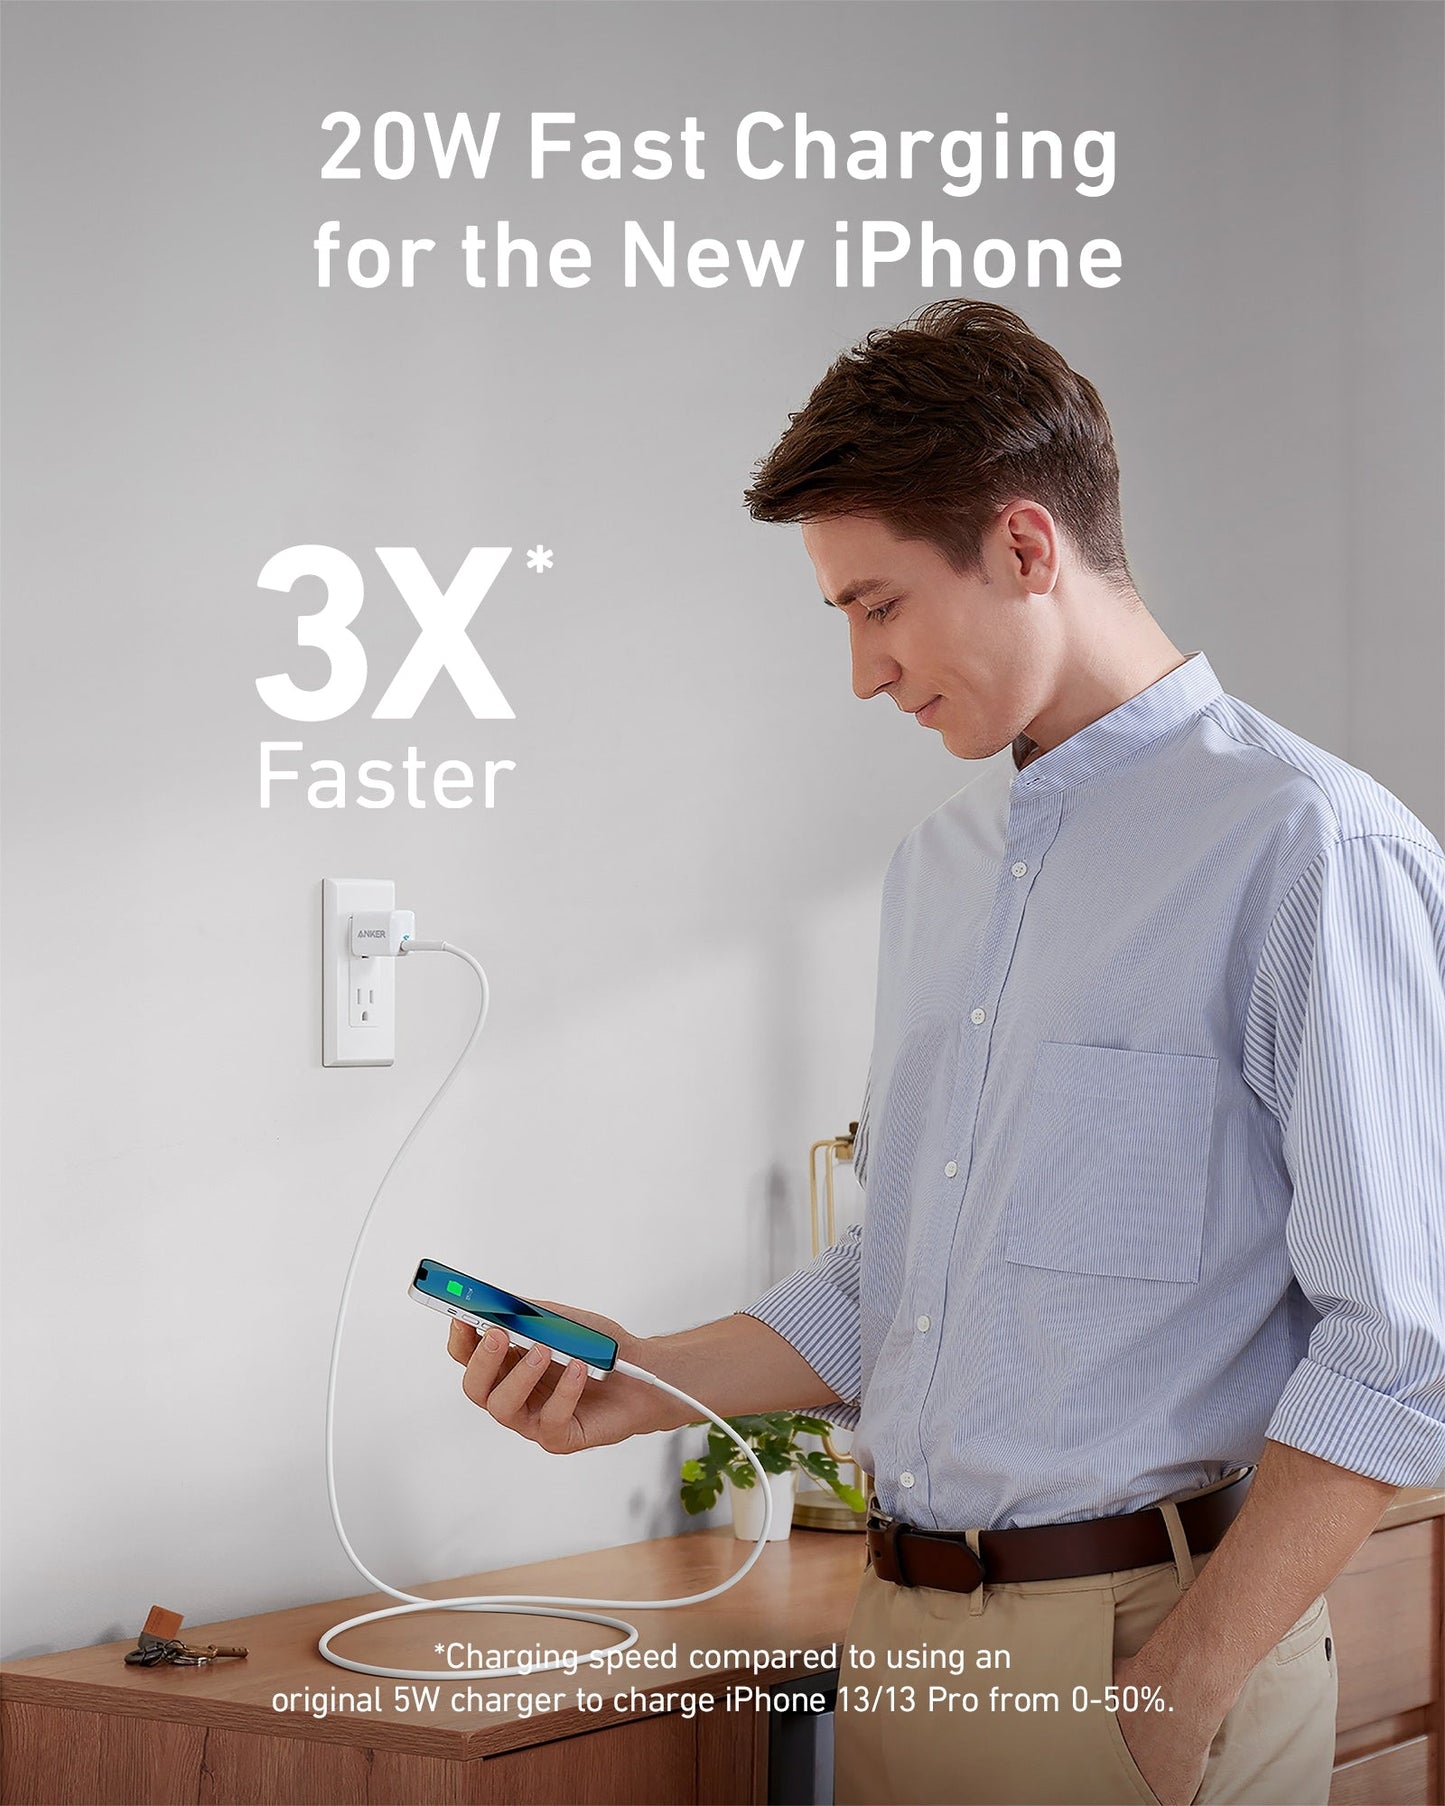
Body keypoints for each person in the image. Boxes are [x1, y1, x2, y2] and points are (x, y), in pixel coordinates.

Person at [447, 299, 1445, 1806]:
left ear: (1026, 547)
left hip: (1139, 1649)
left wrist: (1172, 1691)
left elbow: (1400, 1349)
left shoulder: (1309, 849)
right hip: (905, 1643)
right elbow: (892, 1276)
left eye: (878, 604)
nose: (861, 671)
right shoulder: (939, 868)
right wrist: (644, 1378)